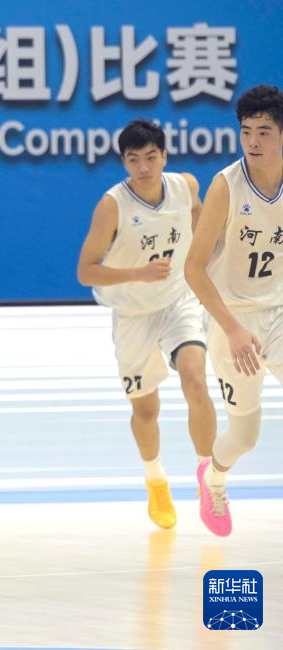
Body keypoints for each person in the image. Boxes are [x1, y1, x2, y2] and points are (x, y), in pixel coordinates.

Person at [76, 119, 215, 529]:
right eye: (133, 159)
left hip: (178, 300)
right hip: (133, 314)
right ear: (124, 162)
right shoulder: (112, 205)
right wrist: (137, 273)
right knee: (146, 409)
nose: (143, 167)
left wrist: (204, 259)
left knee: (196, 380)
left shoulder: (185, 186)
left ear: (164, 157)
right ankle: (155, 480)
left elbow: (199, 218)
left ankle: (209, 476)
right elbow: (85, 271)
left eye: (151, 157)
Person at [185, 84, 283, 537]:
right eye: (246, 131)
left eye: (264, 131)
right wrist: (233, 329)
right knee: (245, 436)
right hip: (231, 318)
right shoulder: (226, 186)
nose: (253, 142)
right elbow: (193, 269)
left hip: (277, 310)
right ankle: (214, 478)